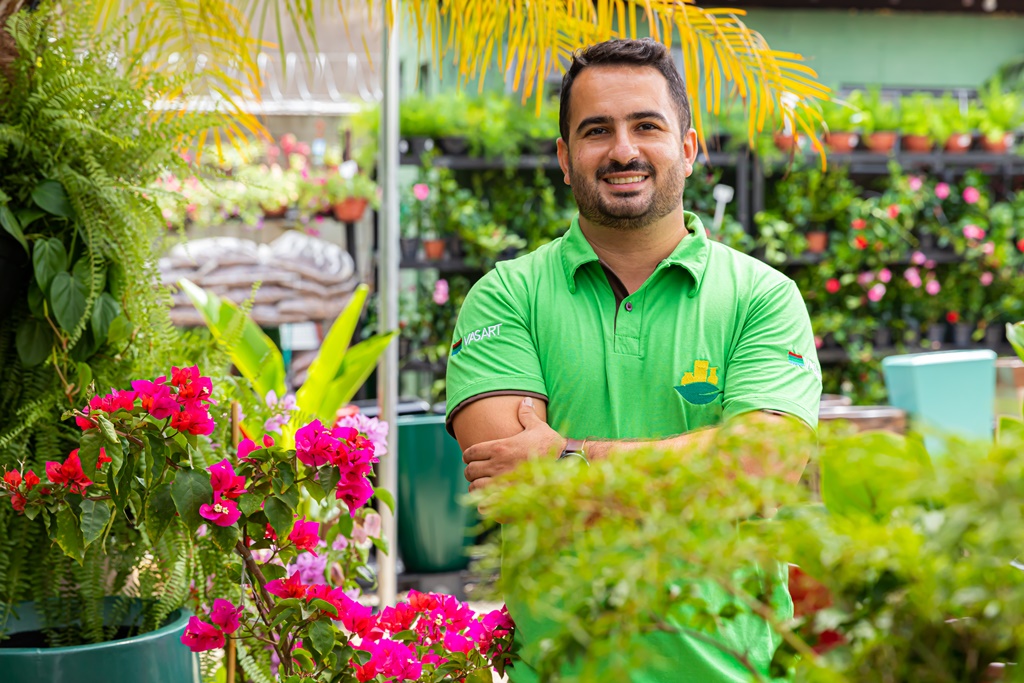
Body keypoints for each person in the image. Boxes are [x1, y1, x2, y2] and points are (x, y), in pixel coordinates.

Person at [444, 38, 822, 682]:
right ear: (565, 159)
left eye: (647, 125)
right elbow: (513, 485)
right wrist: (700, 467)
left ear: (688, 148)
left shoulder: (763, 296)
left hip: (731, 672)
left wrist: (568, 458)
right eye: (597, 131)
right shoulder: (508, 295)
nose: (623, 150)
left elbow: (761, 465)